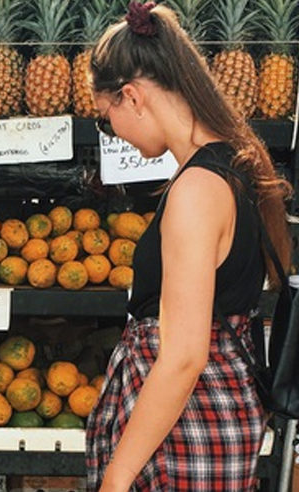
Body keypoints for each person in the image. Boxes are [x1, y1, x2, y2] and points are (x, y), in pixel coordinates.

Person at [85, 2, 293, 491]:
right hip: (207, 417)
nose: (113, 133)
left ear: (132, 96)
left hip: (187, 428)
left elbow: (183, 357)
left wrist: (118, 475)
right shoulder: (235, 165)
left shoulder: (197, 191)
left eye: (105, 119)